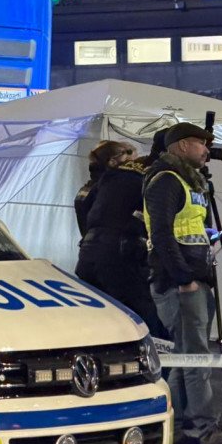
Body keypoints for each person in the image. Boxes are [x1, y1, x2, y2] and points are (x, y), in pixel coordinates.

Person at [143, 122, 222, 444]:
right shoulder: (167, 181)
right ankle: (204, 428)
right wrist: (184, 278)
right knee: (195, 358)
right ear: (182, 146)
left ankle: (174, 429)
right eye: (201, 144)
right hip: (180, 284)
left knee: (184, 357)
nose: (207, 151)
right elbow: (161, 235)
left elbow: (185, 229)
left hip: (192, 279)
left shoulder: (189, 182)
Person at [76, 140, 167, 338]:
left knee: (100, 318)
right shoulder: (129, 180)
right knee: (143, 314)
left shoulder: (89, 188)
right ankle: (159, 355)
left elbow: (86, 221)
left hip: (88, 255)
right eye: (131, 154)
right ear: (114, 160)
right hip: (117, 256)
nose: (135, 159)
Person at [74, 140, 133, 238]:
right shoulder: (109, 188)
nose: (130, 161)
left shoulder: (86, 189)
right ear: (112, 162)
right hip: (110, 243)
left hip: (91, 242)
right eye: (125, 155)